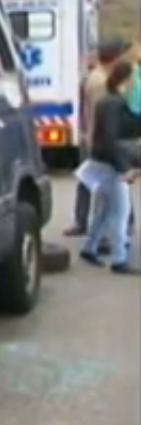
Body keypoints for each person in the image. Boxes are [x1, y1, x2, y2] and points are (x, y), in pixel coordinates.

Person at [79, 61, 141, 274]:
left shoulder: (110, 101)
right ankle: (118, 259)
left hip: (103, 161)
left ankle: (90, 247)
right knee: (120, 212)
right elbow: (110, 139)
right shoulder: (115, 104)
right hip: (112, 165)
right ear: (126, 79)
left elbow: (129, 125)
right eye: (133, 78)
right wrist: (125, 168)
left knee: (106, 209)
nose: (135, 82)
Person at [65, 39, 130, 237]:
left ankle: (84, 222)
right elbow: (106, 117)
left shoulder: (95, 77)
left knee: (91, 181)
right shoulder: (102, 82)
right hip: (100, 140)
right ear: (115, 58)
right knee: (107, 184)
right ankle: (101, 230)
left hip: (93, 137)